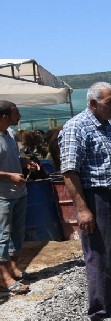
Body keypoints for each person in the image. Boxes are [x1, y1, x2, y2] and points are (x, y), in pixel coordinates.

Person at [58, 82, 111, 321]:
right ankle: (99, 311)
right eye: (109, 102)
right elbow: (70, 171)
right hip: (96, 198)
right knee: (100, 254)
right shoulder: (76, 127)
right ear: (92, 104)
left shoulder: (109, 128)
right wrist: (81, 208)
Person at [0, 101, 38, 297]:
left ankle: (13, 269)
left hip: (18, 192)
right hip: (2, 196)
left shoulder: (11, 134)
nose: (20, 116)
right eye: (16, 113)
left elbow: (13, 158)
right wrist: (9, 176)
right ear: (5, 117)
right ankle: (4, 278)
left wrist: (26, 162)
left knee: (16, 233)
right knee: (2, 237)